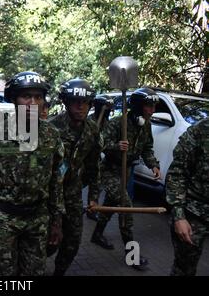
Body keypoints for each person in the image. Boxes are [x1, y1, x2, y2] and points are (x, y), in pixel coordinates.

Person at [0, 71, 65, 276]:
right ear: (13, 99)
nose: (32, 102)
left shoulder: (51, 136)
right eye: (26, 96)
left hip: (38, 220)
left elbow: (56, 181)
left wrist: (56, 221)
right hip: (4, 220)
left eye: (38, 97)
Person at [90, 87, 161, 270]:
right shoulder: (117, 123)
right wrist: (116, 146)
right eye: (148, 106)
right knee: (125, 208)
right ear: (137, 107)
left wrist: (153, 165)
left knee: (110, 206)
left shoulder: (145, 125)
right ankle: (132, 255)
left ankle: (97, 235)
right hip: (109, 171)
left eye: (154, 106)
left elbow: (147, 148)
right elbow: (99, 144)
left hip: (126, 171)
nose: (152, 110)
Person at [48, 78, 102, 276]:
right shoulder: (51, 129)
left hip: (72, 196)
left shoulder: (92, 130)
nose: (80, 106)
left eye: (85, 102)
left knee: (72, 242)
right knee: (47, 243)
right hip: (49, 196)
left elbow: (94, 166)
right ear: (65, 102)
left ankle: (58, 273)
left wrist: (93, 196)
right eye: (75, 101)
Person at [166, 117, 209, 276]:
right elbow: (177, 173)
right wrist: (179, 216)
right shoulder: (200, 130)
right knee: (184, 269)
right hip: (194, 214)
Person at [84, 94, 114, 221]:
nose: (107, 112)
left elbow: (106, 141)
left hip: (98, 158)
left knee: (95, 183)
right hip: (84, 159)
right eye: (104, 109)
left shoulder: (107, 123)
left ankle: (92, 207)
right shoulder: (89, 121)